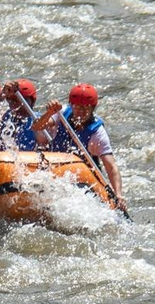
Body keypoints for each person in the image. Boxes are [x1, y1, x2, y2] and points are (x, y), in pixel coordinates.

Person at [35, 83, 126, 211]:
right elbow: (37, 127)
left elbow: (111, 166)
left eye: (85, 108)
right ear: (71, 105)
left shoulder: (97, 133)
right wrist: (48, 114)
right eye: (77, 107)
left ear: (92, 108)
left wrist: (118, 194)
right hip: (56, 172)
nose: (80, 112)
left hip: (83, 180)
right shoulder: (62, 114)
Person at [0, 79, 47, 151]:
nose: (15, 105)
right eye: (11, 100)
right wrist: (2, 95)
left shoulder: (40, 120)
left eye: (18, 101)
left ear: (32, 102)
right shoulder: (4, 117)